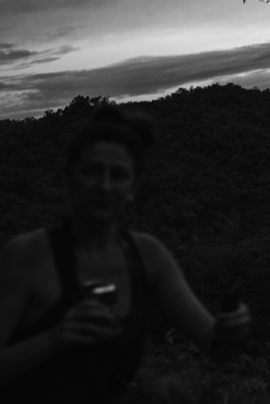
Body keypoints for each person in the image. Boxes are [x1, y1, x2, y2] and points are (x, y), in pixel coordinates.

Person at [0, 104, 252, 403]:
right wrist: (54, 338)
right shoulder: (29, 256)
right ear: (68, 177)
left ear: (133, 187)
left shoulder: (146, 255)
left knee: (169, 394)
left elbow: (218, 350)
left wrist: (235, 328)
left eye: (118, 175)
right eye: (91, 172)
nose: (104, 186)